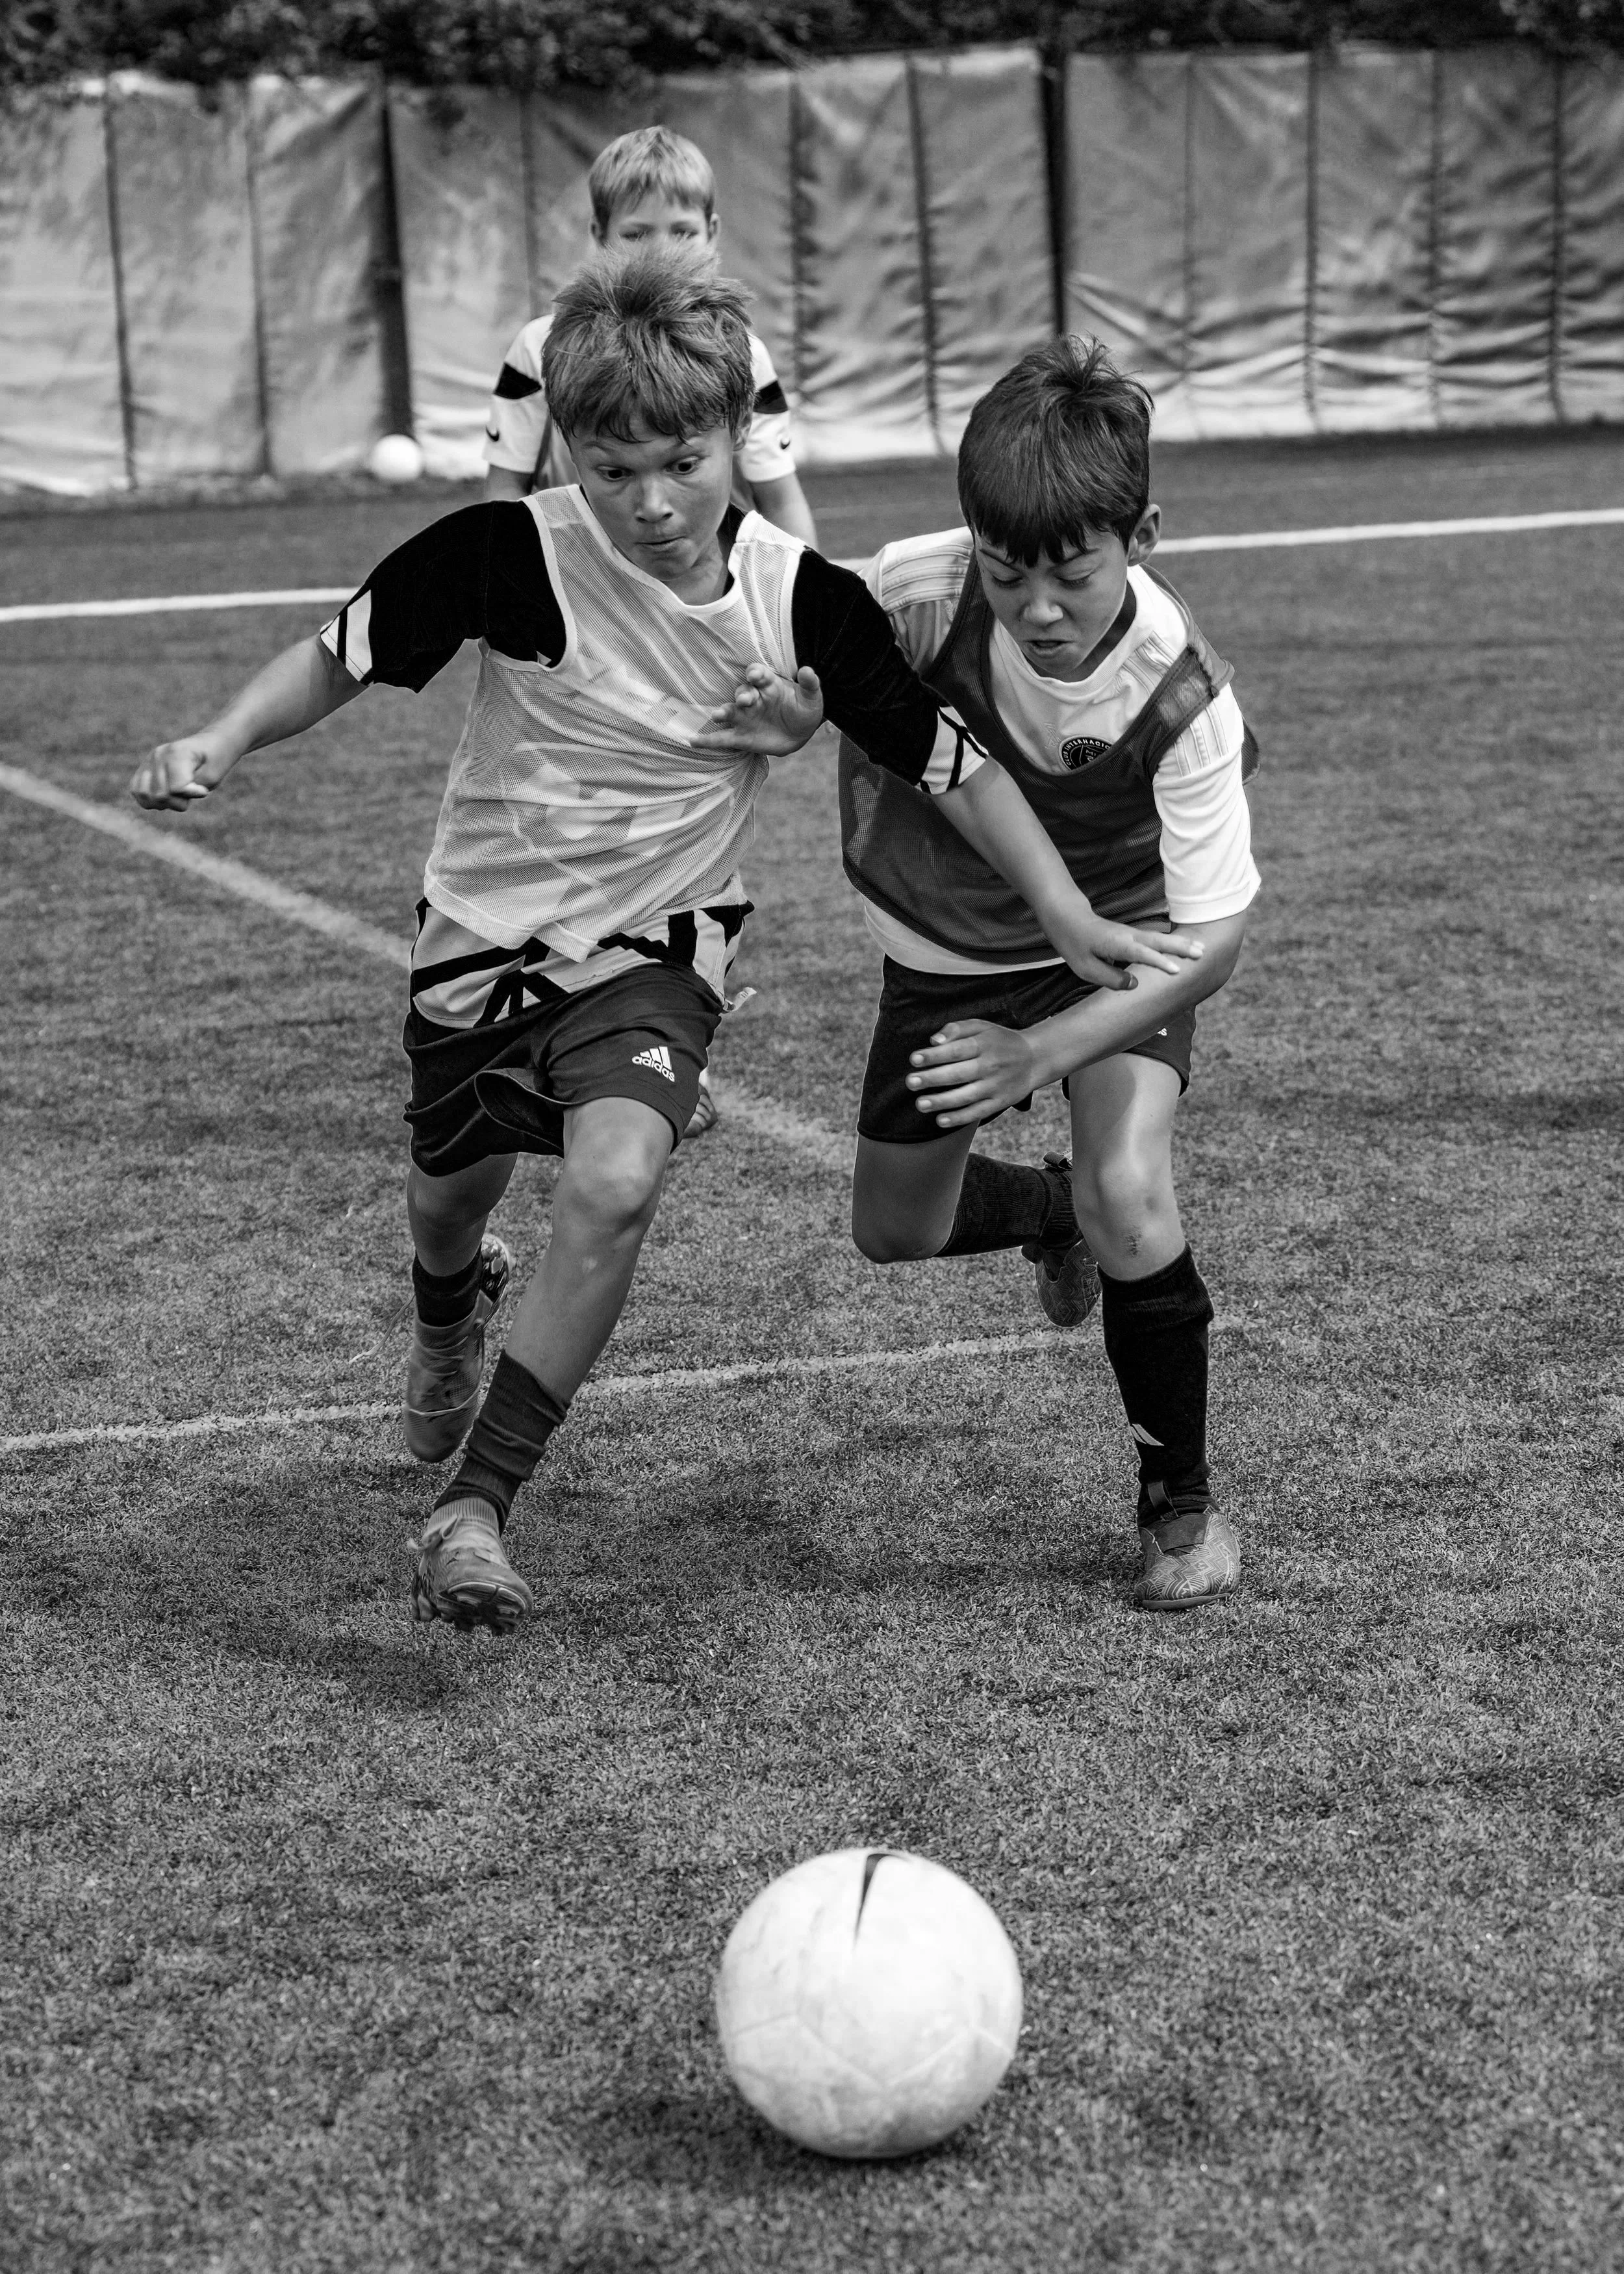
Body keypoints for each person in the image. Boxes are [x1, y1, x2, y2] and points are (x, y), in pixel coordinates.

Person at [129, 257, 1191, 1640]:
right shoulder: (504, 555)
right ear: (569, 448)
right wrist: (219, 736)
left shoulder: (800, 598)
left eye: (682, 463)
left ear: (731, 442)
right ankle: (447, 1310)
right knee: (451, 1196)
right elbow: (343, 650)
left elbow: (950, 761)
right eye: (614, 465)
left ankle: (475, 1504)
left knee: (617, 1171)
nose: (650, 502)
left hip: (655, 950)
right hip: (478, 943)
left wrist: (1061, 914)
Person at [839, 336, 1260, 1612]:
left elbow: (1212, 943)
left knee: (1134, 1187)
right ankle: (1043, 1211)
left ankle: (1178, 1510)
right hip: (942, 949)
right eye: (1004, 568)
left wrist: (1040, 1054)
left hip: (1121, 951)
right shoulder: (912, 591)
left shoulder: (1183, 696)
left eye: (1068, 571)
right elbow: (795, 654)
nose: (1032, 606)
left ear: (1138, 533)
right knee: (892, 1231)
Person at [483, 125, 818, 1138]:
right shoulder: (540, 349)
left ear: (716, 233)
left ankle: (669, 1043)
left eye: (684, 229)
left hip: (701, 620)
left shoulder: (741, 355)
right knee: (559, 826)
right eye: (638, 233)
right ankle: (542, 1021)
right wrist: (494, 605)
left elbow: (784, 501)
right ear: (597, 238)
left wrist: (805, 623)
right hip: (581, 631)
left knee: (693, 827)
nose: (662, 250)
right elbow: (502, 497)